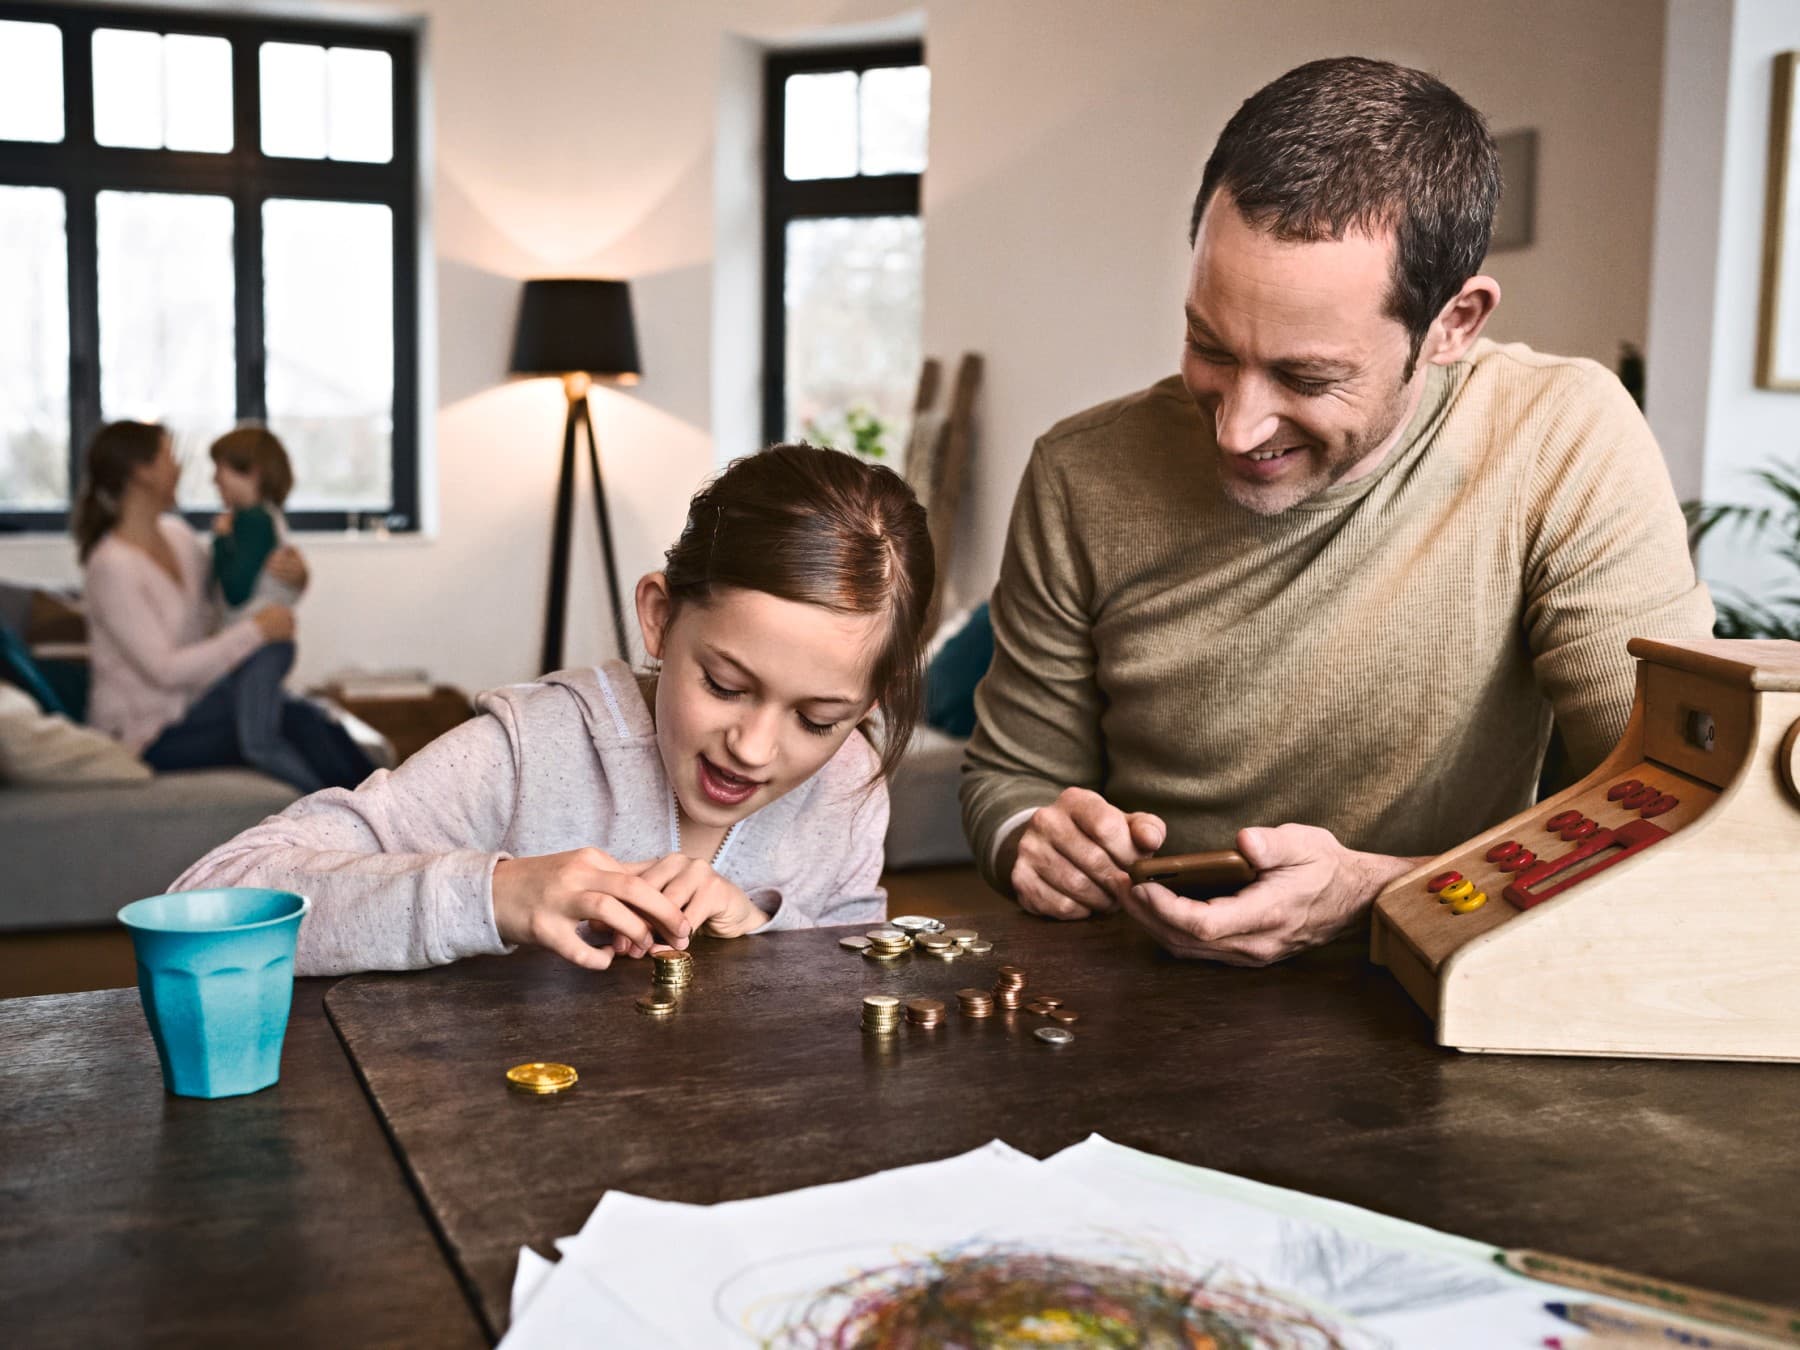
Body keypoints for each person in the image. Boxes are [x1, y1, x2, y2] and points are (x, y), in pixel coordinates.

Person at [960, 57, 1714, 967]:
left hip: (1437, 985)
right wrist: (1028, 836)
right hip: (1138, 993)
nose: (1239, 427)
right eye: (1209, 346)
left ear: (1453, 324)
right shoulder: (1081, 472)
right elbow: (1008, 775)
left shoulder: (1561, 440)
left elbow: (1681, 806)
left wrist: (1375, 894)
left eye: (1306, 377)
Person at [173, 444, 936, 977]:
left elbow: (860, 976)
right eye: (727, 685)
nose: (756, 748)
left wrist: (764, 935)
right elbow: (209, 901)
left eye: (817, 718)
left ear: (872, 700)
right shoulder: (527, 751)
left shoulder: (850, 781)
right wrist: (497, 892)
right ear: (661, 617)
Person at [76, 420, 374, 793]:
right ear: (141, 472)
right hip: (150, 737)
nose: (180, 468)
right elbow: (164, 671)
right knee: (295, 723)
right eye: (169, 456)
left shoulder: (178, 536)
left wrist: (295, 579)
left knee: (312, 720)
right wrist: (259, 631)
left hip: (199, 706)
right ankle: (379, 822)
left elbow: (227, 600)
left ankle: (391, 817)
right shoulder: (111, 567)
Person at [209, 425, 302, 623]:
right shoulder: (269, 516)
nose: (214, 479)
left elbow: (235, 594)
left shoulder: (254, 520)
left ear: (253, 472)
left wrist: (221, 539)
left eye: (219, 469)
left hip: (257, 639)